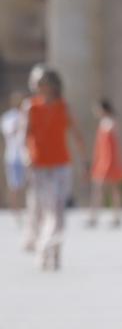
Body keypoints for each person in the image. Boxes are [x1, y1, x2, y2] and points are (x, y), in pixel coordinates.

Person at [24, 67, 86, 270]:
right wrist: (27, 157)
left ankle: (52, 249)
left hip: (61, 165)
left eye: (40, 81)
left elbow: (76, 135)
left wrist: (84, 162)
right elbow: (26, 137)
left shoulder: (63, 107)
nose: (36, 85)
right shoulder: (30, 107)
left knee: (58, 210)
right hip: (39, 166)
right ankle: (46, 247)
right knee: (44, 210)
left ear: (51, 84)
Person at [86, 99, 122, 228]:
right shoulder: (103, 123)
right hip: (103, 161)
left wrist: (115, 161)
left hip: (111, 161)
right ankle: (97, 216)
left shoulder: (112, 123)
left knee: (110, 190)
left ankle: (114, 216)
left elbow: (116, 145)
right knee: (103, 189)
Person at [1, 90, 29, 225]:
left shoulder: (27, 115)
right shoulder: (8, 117)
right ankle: (15, 212)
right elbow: (10, 132)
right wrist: (20, 123)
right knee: (14, 185)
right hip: (13, 156)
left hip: (26, 155)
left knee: (28, 185)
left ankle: (27, 210)